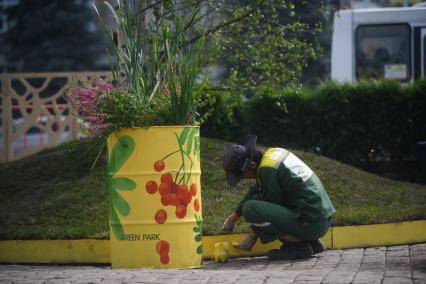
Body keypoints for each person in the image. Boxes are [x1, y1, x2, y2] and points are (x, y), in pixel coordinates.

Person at [222, 135, 335, 260]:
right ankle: (313, 242)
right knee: (256, 201)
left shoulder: (267, 171)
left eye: (242, 176)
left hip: (312, 224)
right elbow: (256, 190)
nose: (243, 179)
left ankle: (299, 246)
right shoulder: (271, 156)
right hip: (321, 218)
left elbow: (270, 207)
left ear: (252, 165)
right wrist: (233, 218)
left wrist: (252, 236)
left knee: (250, 209)